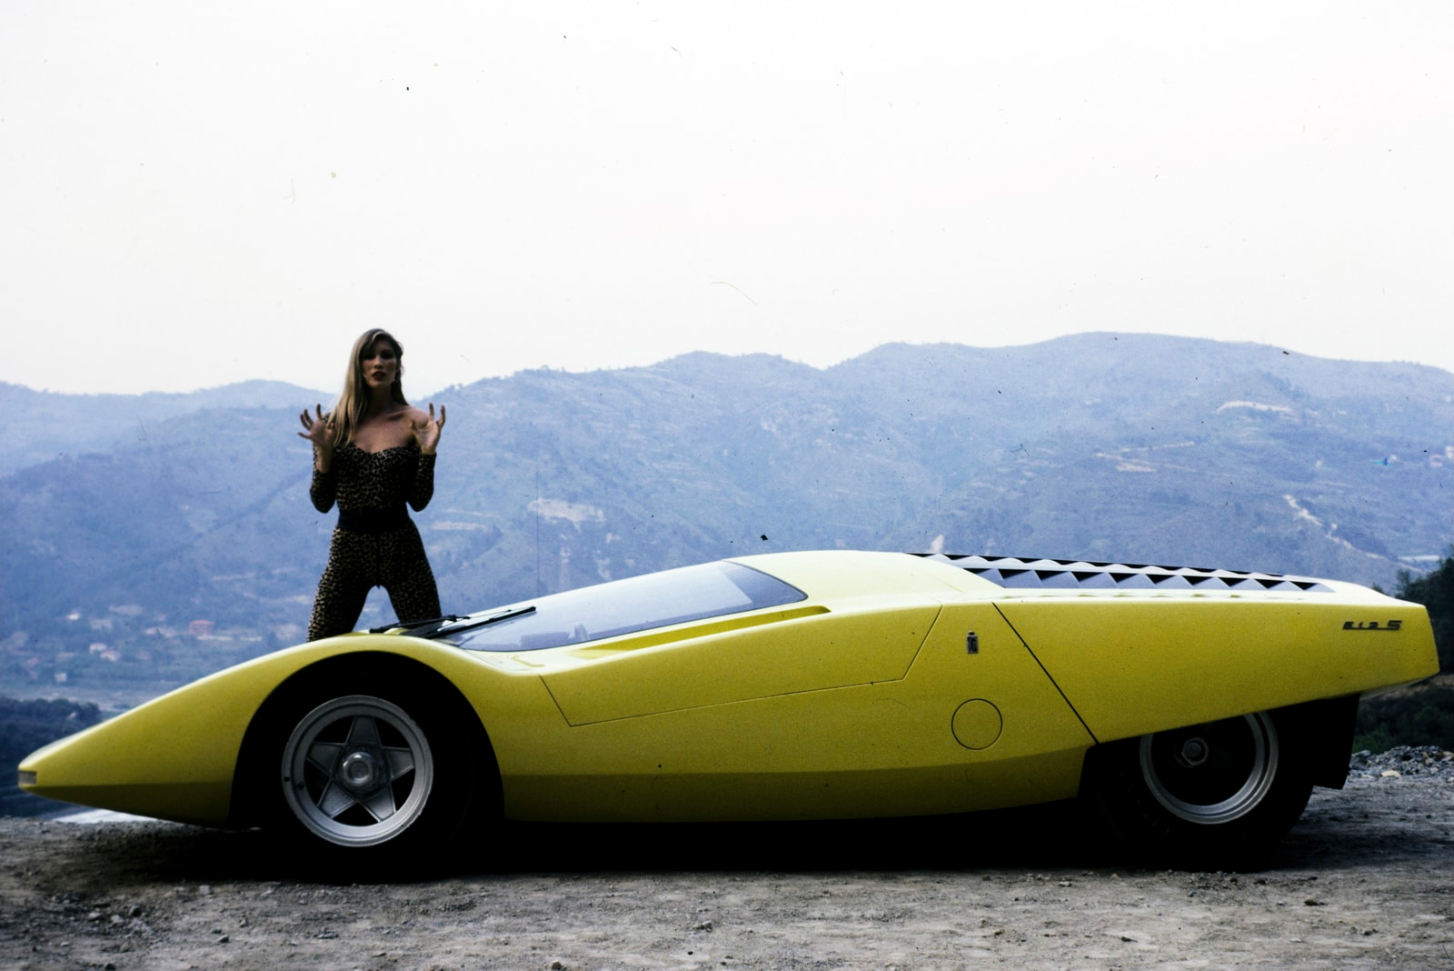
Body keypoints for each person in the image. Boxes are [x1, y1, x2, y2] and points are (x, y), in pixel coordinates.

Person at [298, 329, 446, 640]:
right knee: (316, 647)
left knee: (434, 641)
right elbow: (321, 503)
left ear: (397, 366)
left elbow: (419, 500)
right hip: (349, 549)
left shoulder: (416, 422)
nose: (378, 362)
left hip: (402, 547)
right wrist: (324, 452)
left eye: (386, 355)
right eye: (370, 356)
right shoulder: (333, 423)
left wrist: (428, 453)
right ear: (358, 365)